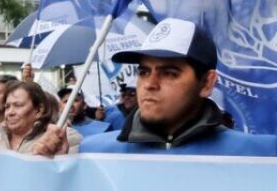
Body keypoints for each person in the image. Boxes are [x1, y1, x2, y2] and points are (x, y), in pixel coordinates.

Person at [77, 18, 276, 156]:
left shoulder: (258, 156)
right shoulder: (93, 153)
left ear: (207, 83)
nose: (150, 84)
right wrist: (50, 167)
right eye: (144, 72)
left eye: (169, 73)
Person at [0, 81, 81, 155]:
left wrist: (58, 158)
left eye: (18, 105)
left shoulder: (63, 137)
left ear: (39, 110)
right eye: (7, 106)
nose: (10, 112)